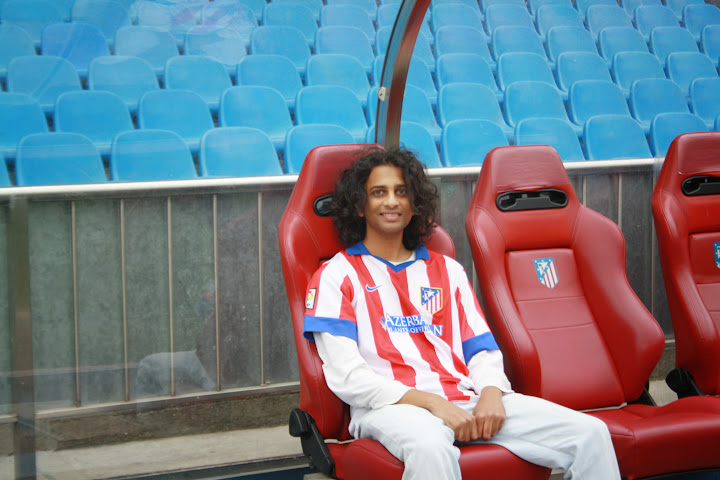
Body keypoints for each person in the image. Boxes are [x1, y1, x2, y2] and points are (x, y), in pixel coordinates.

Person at [303, 148, 621, 480]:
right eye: (378, 192)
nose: (392, 201)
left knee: (590, 434)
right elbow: (347, 376)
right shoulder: (335, 275)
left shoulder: (448, 270)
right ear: (359, 205)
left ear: (415, 203)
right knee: (430, 448)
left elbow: (481, 349)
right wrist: (432, 403)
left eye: (402, 192)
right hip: (390, 409)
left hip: (465, 398)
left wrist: (492, 393)